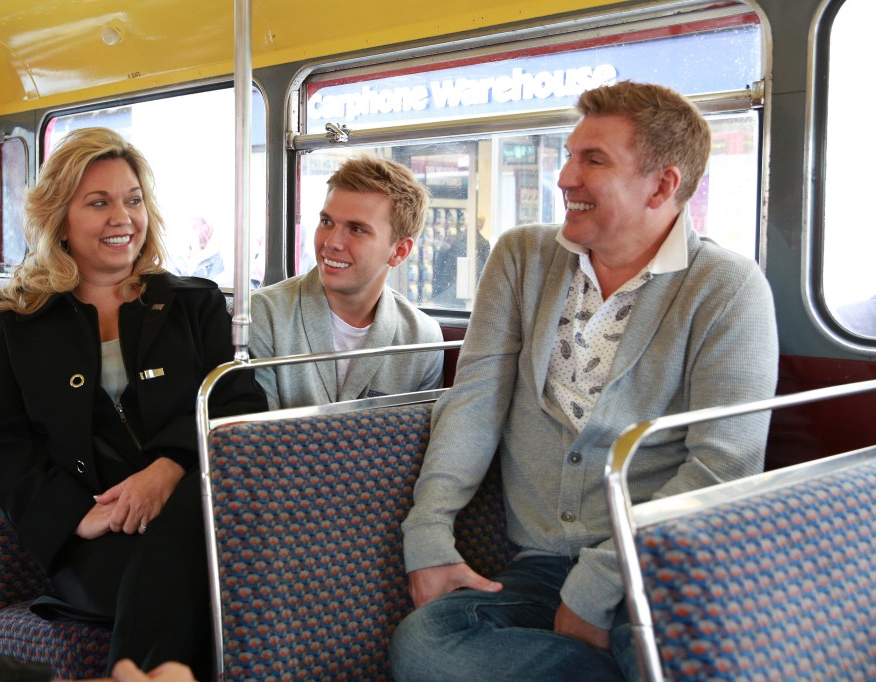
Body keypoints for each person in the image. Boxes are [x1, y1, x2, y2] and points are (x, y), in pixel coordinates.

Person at [389, 81, 779, 681]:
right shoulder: (524, 257)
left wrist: (597, 587)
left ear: (663, 185)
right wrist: (430, 528)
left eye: (593, 160)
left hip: (663, 561)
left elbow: (722, 466)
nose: (565, 177)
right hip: (543, 564)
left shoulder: (725, 287)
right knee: (425, 647)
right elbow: (475, 399)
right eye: (570, 155)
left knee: (684, 660)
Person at [0, 127, 266, 679]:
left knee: (188, 540)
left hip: (192, 508)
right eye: (98, 203)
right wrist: (77, 516)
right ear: (60, 218)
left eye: (132, 201)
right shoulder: (14, 321)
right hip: (94, 529)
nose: (122, 218)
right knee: (186, 582)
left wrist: (168, 470)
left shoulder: (193, 305)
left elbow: (237, 401)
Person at [249, 156, 443, 409]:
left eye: (357, 229)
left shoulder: (423, 338)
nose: (331, 242)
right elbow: (257, 437)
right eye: (327, 222)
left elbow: (416, 440)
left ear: (399, 252)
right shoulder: (265, 314)